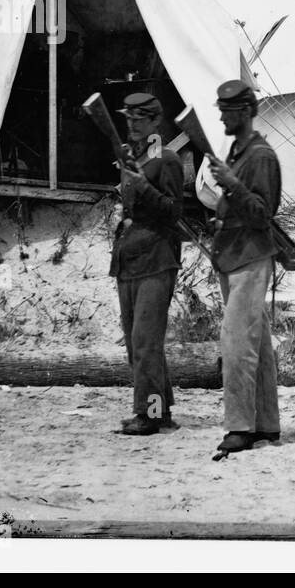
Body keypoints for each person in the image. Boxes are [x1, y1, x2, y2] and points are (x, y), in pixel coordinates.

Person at [206, 80, 283, 454]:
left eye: (226, 109)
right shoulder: (240, 152)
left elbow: (263, 214)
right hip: (234, 253)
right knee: (258, 345)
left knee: (237, 344)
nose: (220, 115)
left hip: (251, 254)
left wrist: (232, 184)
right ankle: (266, 423)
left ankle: (240, 427)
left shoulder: (261, 157)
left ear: (244, 111)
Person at [110, 93, 183, 436]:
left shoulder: (165, 159)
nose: (133, 124)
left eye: (141, 119)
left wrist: (143, 187)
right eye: (129, 118)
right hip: (130, 259)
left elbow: (173, 212)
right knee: (136, 342)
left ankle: (149, 415)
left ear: (156, 122)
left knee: (145, 342)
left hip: (156, 259)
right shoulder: (134, 157)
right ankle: (160, 410)